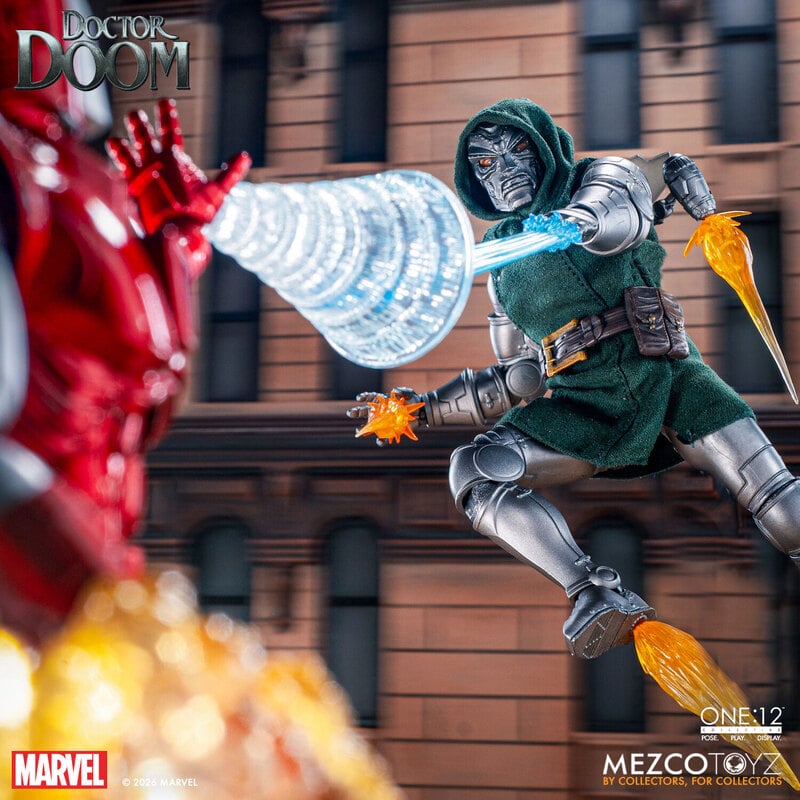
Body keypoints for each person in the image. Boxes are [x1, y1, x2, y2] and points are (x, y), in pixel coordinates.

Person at [349, 98, 800, 658]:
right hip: (587, 403)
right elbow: (520, 378)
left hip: (665, 377)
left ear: (542, 148)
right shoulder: (500, 260)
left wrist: (570, 223)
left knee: (777, 499)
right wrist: (421, 409)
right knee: (474, 470)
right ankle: (594, 592)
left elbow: (613, 214)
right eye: (485, 163)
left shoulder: (596, 179)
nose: (504, 171)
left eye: (515, 151)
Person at [0, 0, 249, 640]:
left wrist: (173, 246)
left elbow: (133, 374)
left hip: (87, 594)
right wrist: (81, 591)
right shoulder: (21, 175)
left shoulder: (76, 183)